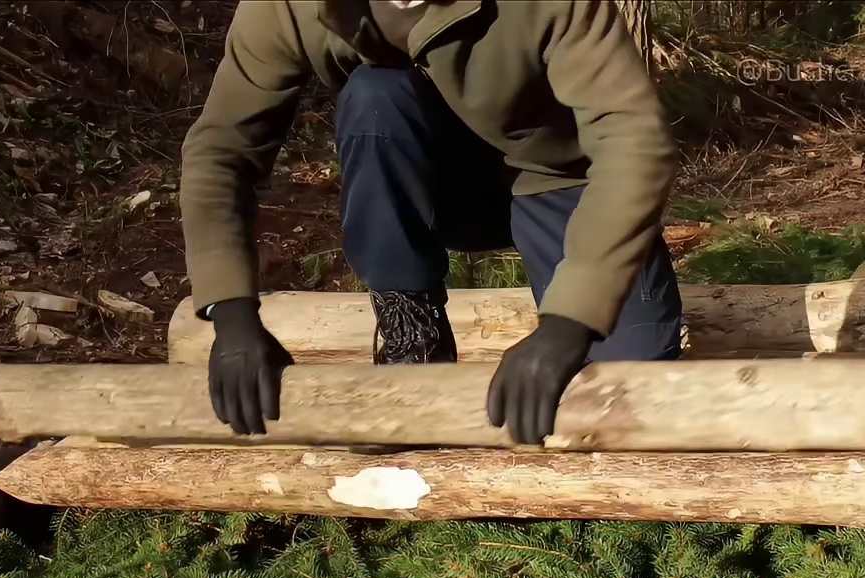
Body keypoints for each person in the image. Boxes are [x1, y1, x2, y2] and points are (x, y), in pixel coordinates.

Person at [178, 0, 683, 446]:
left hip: (562, 179)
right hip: (432, 180)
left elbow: (632, 140)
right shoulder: (289, 5)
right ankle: (411, 335)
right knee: (376, 95)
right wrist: (232, 313)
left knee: (633, 379)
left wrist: (571, 322)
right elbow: (222, 150)